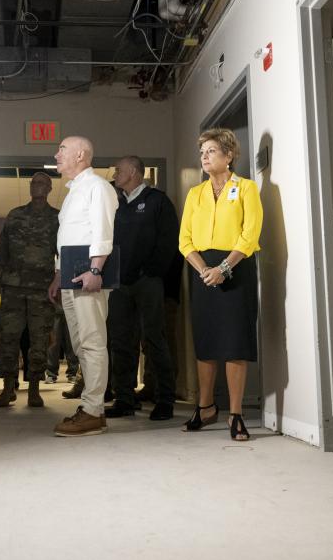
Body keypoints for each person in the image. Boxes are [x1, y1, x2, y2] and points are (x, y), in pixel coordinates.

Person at [179, 128, 263, 442]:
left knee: (234, 342)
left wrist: (225, 267)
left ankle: (236, 414)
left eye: (211, 151)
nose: (205, 157)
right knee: (206, 342)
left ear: (229, 156)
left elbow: (250, 234)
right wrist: (204, 269)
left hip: (236, 268)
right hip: (202, 270)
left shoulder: (246, 189)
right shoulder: (195, 194)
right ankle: (205, 407)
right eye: (202, 152)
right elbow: (184, 240)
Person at [48, 136, 118, 437]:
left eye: (62, 149)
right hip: (70, 274)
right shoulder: (74, 191)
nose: (56, 154)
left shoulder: (98, 187)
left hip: (88, 273)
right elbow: (70, 236)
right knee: (79, 344)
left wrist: (95, 269)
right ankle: (95, 409)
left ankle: (92, 410)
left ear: (80, 154)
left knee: (91, 341)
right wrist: (57, 274)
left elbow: (103, 231)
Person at [105, 156, 179, 421]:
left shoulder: (157, 201)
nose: (115, 173)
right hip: (119, 285)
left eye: (119, 169)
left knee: (154, 340)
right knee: (121, 342)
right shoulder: (116, 204)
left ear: (134, 172)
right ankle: (124, 398)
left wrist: (151, 271)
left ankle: (164, 400)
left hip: (148, 282)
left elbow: (169, 241)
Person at [0, 172, 59, 408]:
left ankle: (34, 389)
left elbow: (62, 253)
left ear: (49, 188)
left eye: (41, 183)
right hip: (13, 287)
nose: (36, 187)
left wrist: (59, 282)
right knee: (8, 337)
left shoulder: (57, 218)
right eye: (33, 183)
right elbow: (4, 247)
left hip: (42, 289)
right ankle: (8, 388)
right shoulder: (15, 215)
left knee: (39, 340)